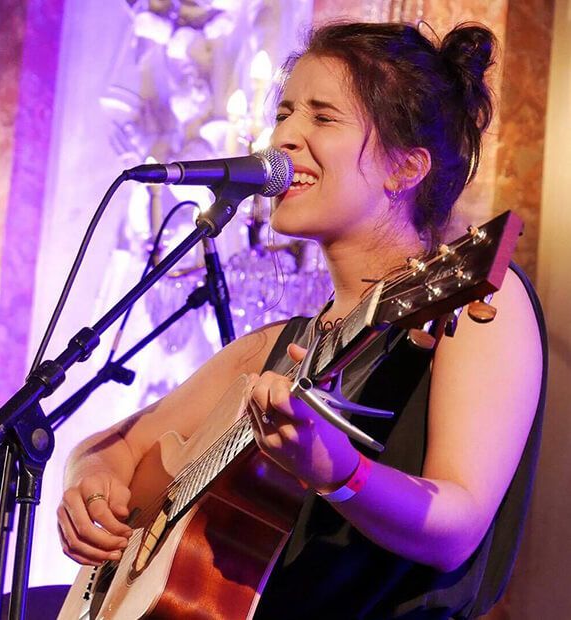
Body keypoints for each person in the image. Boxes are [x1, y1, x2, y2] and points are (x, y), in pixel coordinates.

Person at [56, 21, 546, 619]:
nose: (285, 136)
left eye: (323, 117)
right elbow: (112, 447)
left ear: (405, 169)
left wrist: (342, 473)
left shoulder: (471, 297)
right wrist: (90, 481)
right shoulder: (275, 345)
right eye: (285, 113)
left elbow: (457, 527)